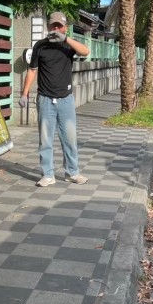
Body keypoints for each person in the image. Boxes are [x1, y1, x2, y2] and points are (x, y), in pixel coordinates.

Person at [19, 12, 90, 187]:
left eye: (59, 26)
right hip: (45, 99)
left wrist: (65, 39)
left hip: (66, 99)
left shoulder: (68, 46)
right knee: (45, 139)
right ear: (48, 26)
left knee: (70, 139)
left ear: (65, 27)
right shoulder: (40, 46)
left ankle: (72, 172)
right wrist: (24, 93)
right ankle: (47, 174)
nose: (56, 29)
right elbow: (32, 70)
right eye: (53, 26)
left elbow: (86, 51)